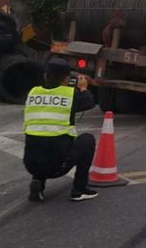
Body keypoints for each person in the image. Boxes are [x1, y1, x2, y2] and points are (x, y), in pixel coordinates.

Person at [23, 57, 98, 202]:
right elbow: (89, 102)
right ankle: (79, 190)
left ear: (45, 76)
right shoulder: (70, 95)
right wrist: (83, 88)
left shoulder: (33, 93)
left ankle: (38, 183)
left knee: (41, 137)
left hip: (31, 164)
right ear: (66, 78)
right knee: (87, 140)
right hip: (58, 166)